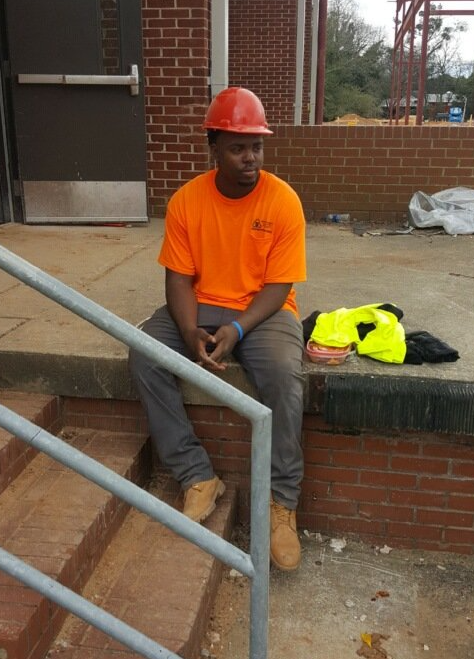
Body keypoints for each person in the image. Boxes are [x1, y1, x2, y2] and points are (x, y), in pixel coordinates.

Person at [128, 87, 306, 571]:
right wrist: (189, 333)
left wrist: (238, 330)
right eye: (238, 147)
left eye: (257, 146)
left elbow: (279, 285)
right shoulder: (187, 201)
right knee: (145, 352)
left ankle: (281, 502)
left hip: (263, 312)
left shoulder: (283, 200)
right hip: (201, 304)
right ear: (214, 148)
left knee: (284, 374)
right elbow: (178, 280)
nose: (251, 158)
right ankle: (197, 476)